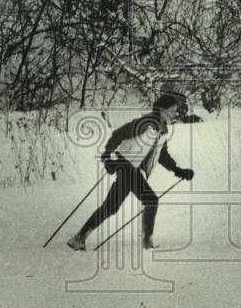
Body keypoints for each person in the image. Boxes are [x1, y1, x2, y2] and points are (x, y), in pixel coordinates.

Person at [67, 93, 195, 251]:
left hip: (132, 169)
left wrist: (178, 170)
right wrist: (107, 157)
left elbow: (162, 155)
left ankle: (79, 238)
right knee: (151, 200)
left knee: (111, 206)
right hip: (126, 166)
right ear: (162, 110)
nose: (175, 113)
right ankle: (147, 242)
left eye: (175, 110)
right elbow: (118, 134)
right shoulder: (146, 122)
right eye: (172, 109)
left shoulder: (163, 129)